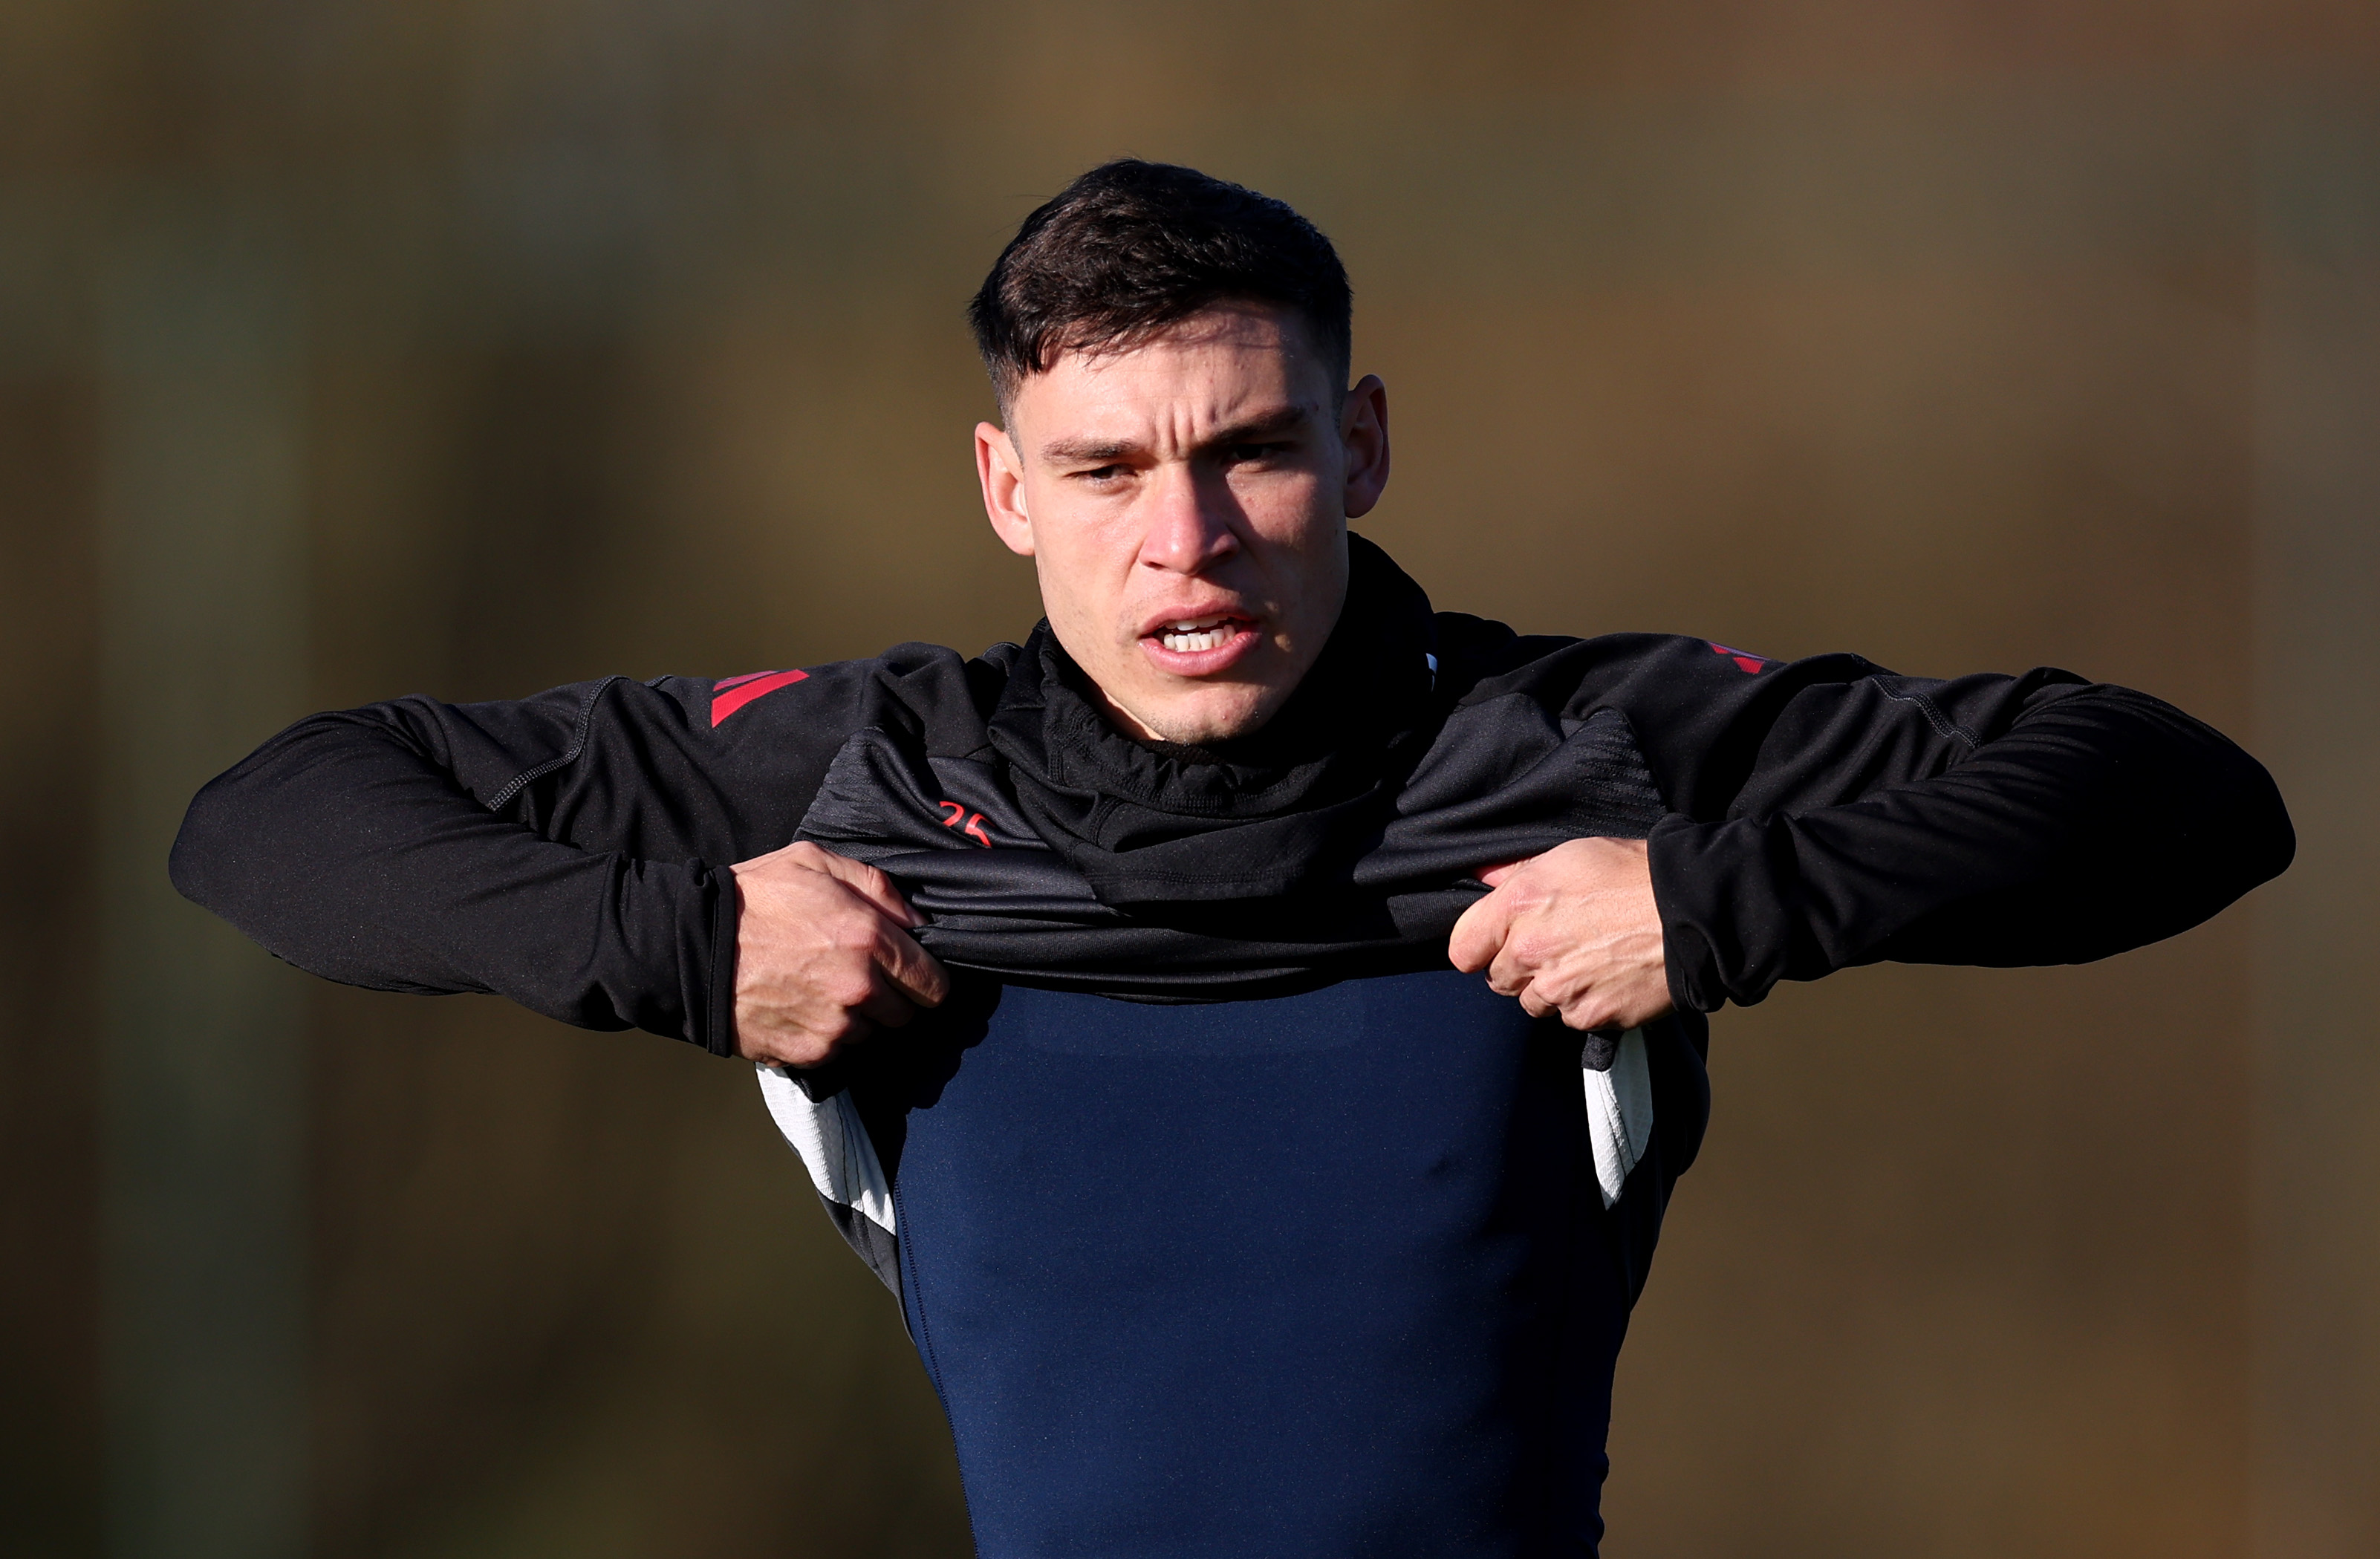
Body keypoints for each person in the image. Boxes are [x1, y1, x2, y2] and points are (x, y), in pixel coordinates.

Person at [172, 160, 2292, 1558]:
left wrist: (1715, 904)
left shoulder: (1565, 749)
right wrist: (675, 940)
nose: (1180, 542)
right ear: (1006, 486)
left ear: (1356, 442)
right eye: (1102, 470)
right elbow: (269, 814)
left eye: (1249, 450)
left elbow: (2173, 791)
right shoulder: (874, 775)